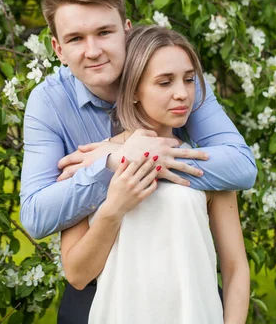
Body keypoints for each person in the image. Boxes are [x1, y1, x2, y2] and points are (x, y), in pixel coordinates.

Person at [20, 0, 257, 322]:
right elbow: (38, 217)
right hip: (101, 295)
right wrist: (112, 160)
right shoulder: (49, 104)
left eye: (104, 32)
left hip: (187, 297)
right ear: (58, 48)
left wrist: (149, 158)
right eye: (75, 39)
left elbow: (240, 166)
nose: (93, 50)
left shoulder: (178, 83)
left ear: (126, 31)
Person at [60, 25, 250, 324]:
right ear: (134, 90)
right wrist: (114, 208)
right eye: (164, 83)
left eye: (188, 80)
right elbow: (78, 275)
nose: (182, 94)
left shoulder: (206, 166)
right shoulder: (93, 164)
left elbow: (236, 267)